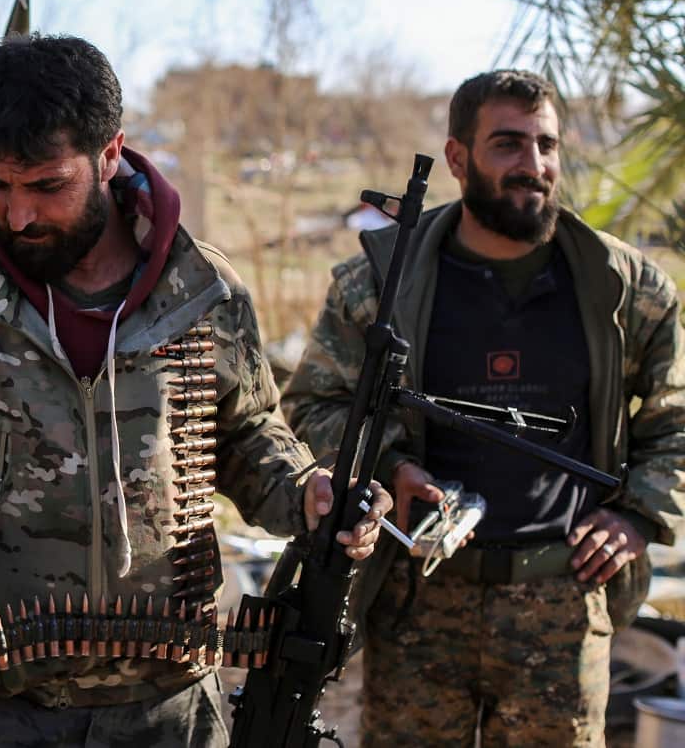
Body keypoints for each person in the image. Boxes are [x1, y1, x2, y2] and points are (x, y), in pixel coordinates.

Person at [0, 33, 392, 748]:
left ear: (110, 154)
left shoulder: (202, 293)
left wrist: (308, 492)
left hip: (170, 708)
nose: (16, 216)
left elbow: (247, 433)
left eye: (47, 185)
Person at [283, 69, 685, 747]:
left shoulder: (625, 287)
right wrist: (393, 470)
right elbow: (314, 405)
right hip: (416, 603)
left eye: (546, 145)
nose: (534, 165)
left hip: (562, 604)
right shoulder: (380, 284)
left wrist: (639, 514)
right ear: (457, 157)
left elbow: (675, 415)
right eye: (507, 144)